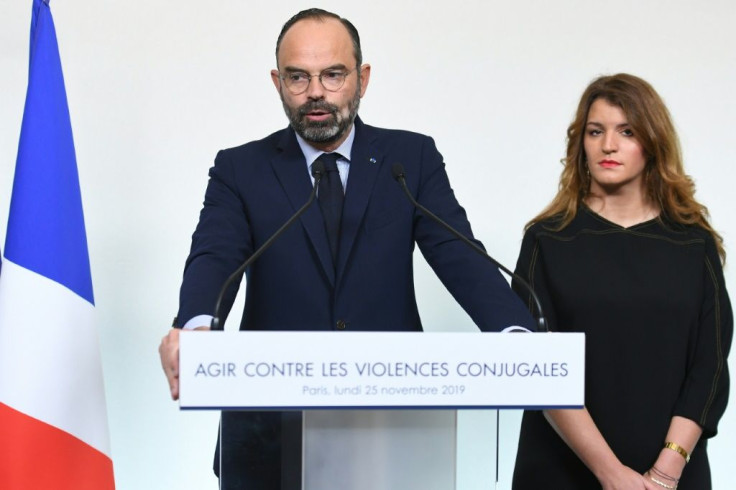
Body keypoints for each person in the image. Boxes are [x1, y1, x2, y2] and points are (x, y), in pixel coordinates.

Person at [158, 8, 535, 488]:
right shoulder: (241, 168)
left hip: (391, 423)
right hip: (270, 432)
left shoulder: (409, 159)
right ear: (278, 82)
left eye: (333, 74)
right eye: (298, 77)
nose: (316, 92)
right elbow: (215, 255)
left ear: (362, 78)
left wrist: (516, 335)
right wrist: (196, 325)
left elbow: (459, 254)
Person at [511, 73, 732, 489]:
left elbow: (710, 369)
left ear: (652, 142)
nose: (608, 145)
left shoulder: (693, 242)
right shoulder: (549, 239)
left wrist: (665, 473)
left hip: (671, 474)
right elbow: (537, 368)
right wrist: (611, 475)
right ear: (582, 143)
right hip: (561, 471)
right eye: (596, 132)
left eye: (626, 131)